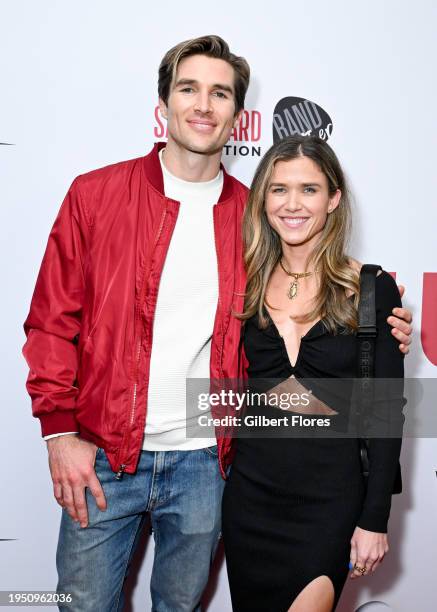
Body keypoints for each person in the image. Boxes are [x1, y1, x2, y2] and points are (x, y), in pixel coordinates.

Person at [22, 36, 412, 611]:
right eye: (189, 89)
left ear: (237, 112)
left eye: (220, 93)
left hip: (208, 464)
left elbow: (317, 301)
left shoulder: (248, 218)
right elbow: (51, 321)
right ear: (165, 105)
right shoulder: (95, 196)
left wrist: (381, 316)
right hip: (103, 456)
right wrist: (60, 432)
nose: (204, 105)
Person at [221, 135, 406, 612]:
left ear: (333, 199)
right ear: (263, 199)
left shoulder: (371, 289)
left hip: (327, 503)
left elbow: (386, 416)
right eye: (279, 189)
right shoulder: (244, 282)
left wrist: (375, 520)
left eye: (309, 189)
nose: (293, 204)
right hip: (251, 498)